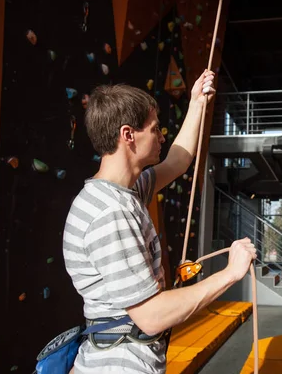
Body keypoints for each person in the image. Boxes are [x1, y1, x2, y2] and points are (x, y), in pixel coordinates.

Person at [62, 70, 256, 374]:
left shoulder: (128, 190)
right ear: (128, 135)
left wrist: (196, 102)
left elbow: (178, 161)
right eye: (155, 129)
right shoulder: (111, 213)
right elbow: (151, 316)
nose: (162, 136)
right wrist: (230, 274)